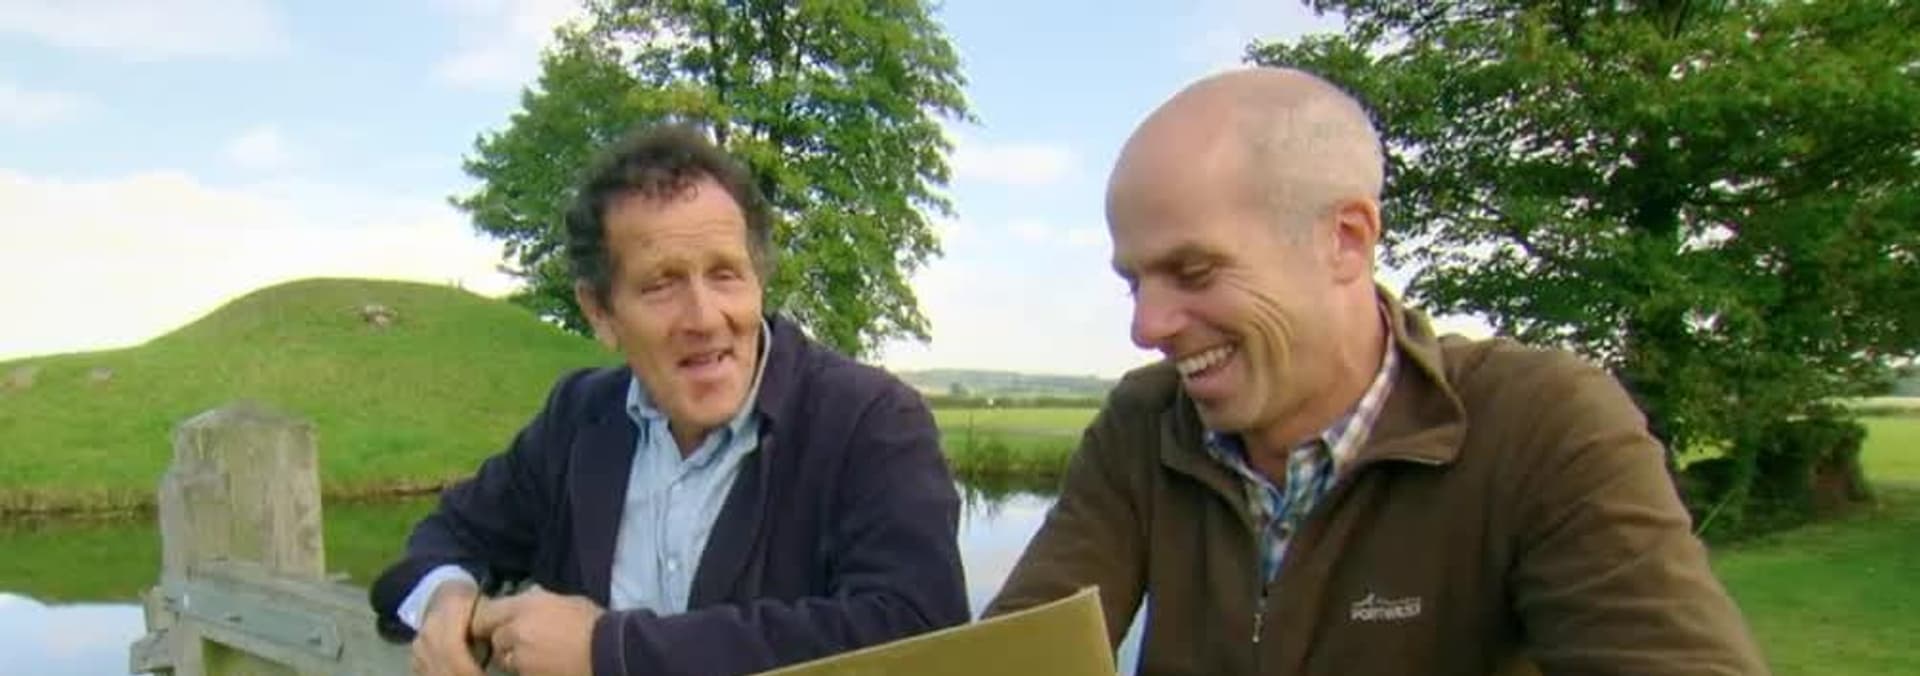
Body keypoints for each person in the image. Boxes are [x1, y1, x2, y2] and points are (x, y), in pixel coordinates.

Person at [984, 67, 1766, 675]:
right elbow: (1016, 658)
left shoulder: (1542, 423)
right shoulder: (1145, 423)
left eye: (1194, 272)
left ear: (1346, 240)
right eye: (1135, 282)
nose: (1147, 326)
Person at [370, 124, 969, 676]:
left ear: (759, 280)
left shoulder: (872, 421)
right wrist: (447, 600)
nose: (704, 317)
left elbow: (918, 630)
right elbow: (445, 538)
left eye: (725, 274)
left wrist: (610, 650)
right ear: (599, 312)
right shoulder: (578, 418)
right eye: (661, 284)